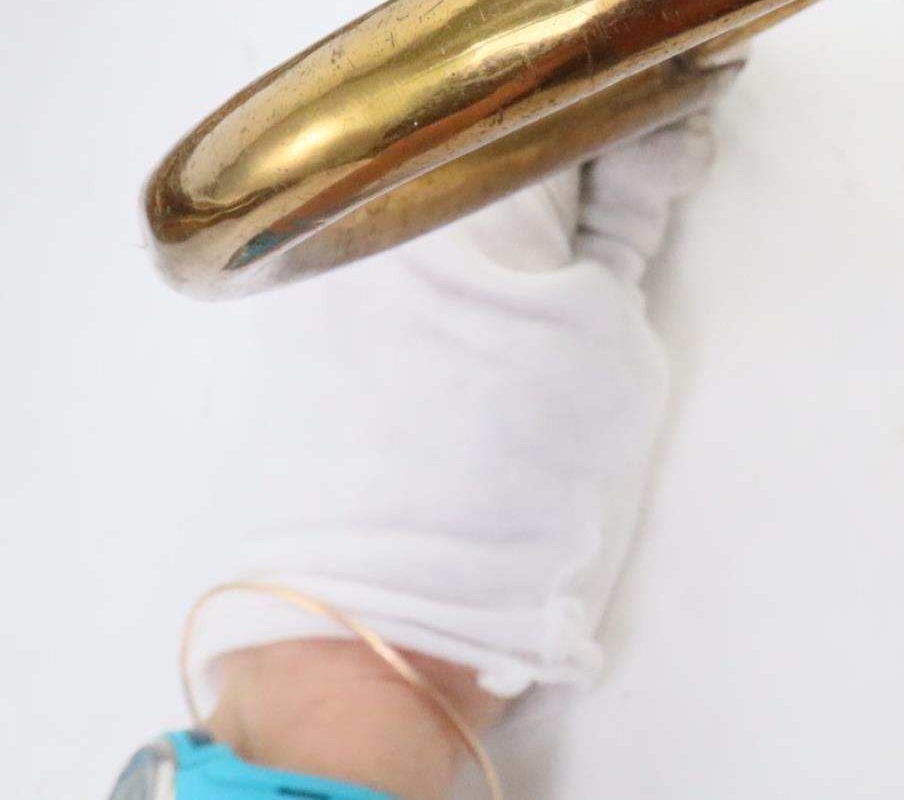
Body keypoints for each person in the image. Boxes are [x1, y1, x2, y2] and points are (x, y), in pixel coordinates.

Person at [106, 99, 730, 800]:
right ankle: (599, 165)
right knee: (432, 216)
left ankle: (611, 192)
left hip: (436, 611)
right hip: (401, 591)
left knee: (447, 233)